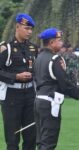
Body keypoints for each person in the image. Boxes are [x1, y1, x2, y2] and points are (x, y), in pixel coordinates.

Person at [33, 28, 79, 150]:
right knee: (49, 141)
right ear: (52, 43)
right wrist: (78, 91)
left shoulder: (39, 57)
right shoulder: (54, 59)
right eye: (59, 40)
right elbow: (64, 83)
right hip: (49, 102)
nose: (61, 43)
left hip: (38, 101)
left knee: (41, 140)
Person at [0, 13, 38, 150]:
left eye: (31, 29)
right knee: (12, 137)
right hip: (11, 95)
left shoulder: (33, 48)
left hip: (30, 94)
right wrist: (16, 76)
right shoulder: (6, 48)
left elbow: (37, 69)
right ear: (17, 26)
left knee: (31, 136)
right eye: (26, 28)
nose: (29, 32)